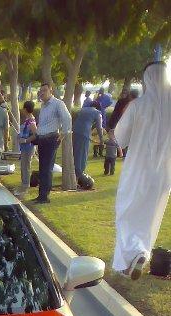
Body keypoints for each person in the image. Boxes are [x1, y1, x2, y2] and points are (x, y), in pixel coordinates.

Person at [112, 61, 171, 279]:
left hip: (137, 170)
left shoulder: (138, 105)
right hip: (163, 174)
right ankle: (141, 251)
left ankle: (130, 259)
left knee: (126, 212)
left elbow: (121, 138)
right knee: (149, 217)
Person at [33, 82, 72, 204]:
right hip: (42, 139)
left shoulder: (57, 104)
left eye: (44, 90)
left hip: (51, 138)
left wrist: (64, 133)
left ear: (51, 91)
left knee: (47, 168)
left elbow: (67, 118)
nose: (42, 93)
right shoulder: (43, 106)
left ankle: (44, 196)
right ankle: (41, 194)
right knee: (42, 167)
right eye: (41, 91)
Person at [72, 99, 103, 177]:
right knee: (83, 152)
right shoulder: (97, 113)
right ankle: (80, 172)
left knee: (75, 151)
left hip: (75, 130)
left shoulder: (82, 110)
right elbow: (99, 128)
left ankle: (73, 170)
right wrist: (101, 139)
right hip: (84, 132)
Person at [17, 100, 37, 196]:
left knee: (26, 166)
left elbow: (35, 135)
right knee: (23, 166)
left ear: (25, 109)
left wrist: (25, 140)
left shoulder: (31, 121)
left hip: (28, 147)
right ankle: (23, 184)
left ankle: (25, 185)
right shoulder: (27, 120)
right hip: (24, 147)